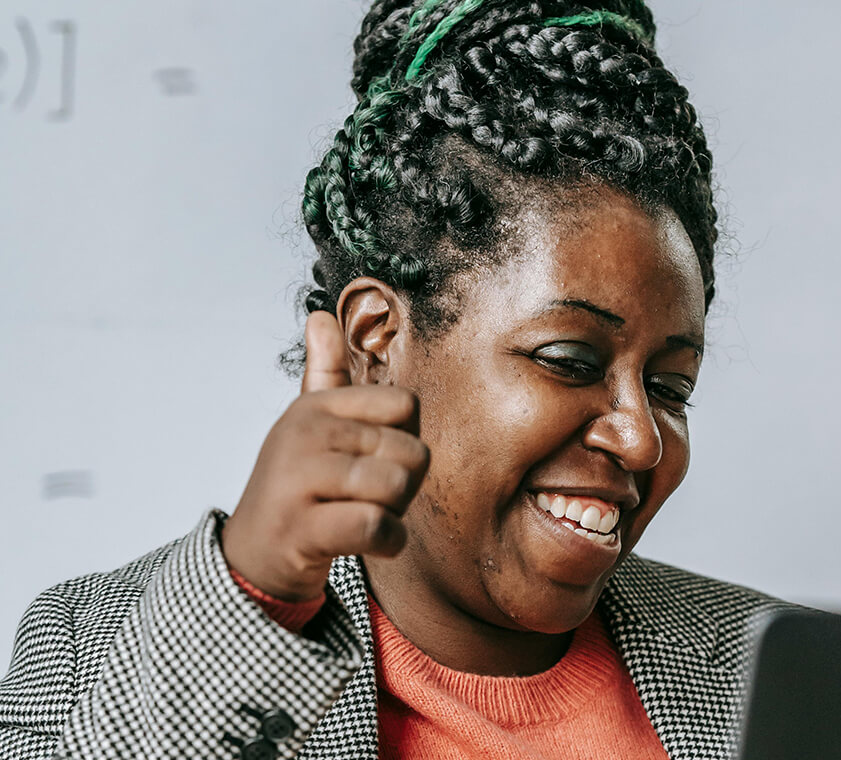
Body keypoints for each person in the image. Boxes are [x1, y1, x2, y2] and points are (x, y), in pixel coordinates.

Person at [0, 1, 798, 758]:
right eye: (571, 361)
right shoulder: (87, 653)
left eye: (670, 388)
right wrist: (257, 598)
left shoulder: (799, 676)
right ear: (376, 339)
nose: (638, 435)